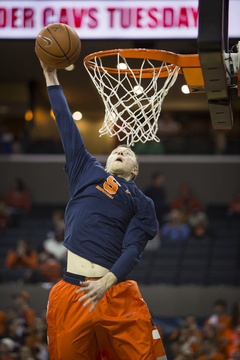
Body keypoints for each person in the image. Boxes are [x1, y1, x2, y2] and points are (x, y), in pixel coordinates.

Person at [40, 61, 166, 360]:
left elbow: (134, 248)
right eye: (115, 151)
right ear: (107, 164)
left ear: (134, 171)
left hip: (115, 293)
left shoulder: (142, 203)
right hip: (73, 292)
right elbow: (65, 124)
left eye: (128, 153)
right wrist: (50, 74)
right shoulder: (86, 169)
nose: (121, 150)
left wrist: (108, 281)